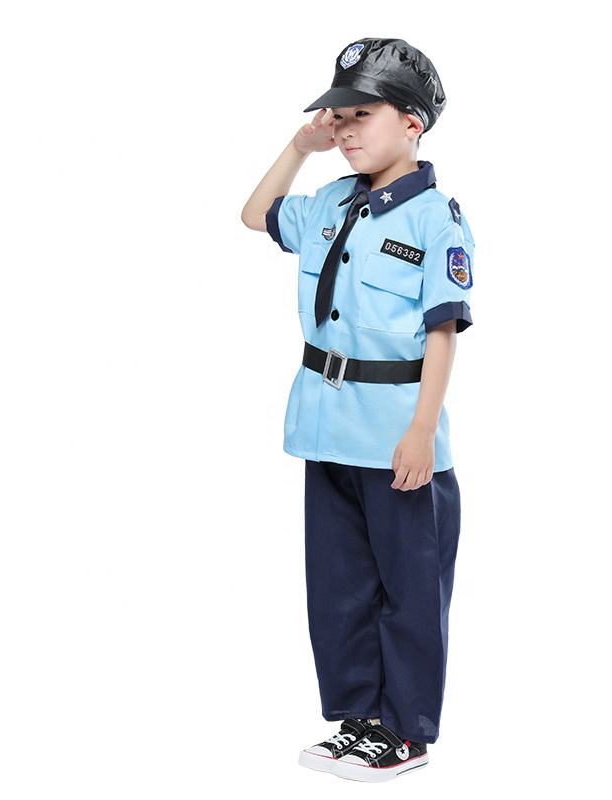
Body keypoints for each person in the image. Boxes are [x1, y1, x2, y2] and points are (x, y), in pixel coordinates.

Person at [241, 38, 474, 782]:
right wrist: (298, 147)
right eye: (336, 117)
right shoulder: (330, 202)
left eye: (359, 115)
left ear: (412, 122)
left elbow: (441, 332)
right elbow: (254, 215)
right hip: (326, 428)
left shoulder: (435, 220)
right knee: (339, 588)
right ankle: (359, 721)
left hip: (397, 436)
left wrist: (421, 431)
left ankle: (404, 732)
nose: (343, 129)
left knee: (410, 591)